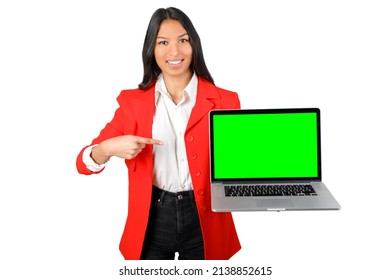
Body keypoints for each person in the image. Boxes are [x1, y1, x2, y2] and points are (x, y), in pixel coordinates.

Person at [76, 7, 241, 260]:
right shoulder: (132, 104)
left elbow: (237, 164)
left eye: (183, 41)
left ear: (194, 45)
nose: (174, 51)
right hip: (151, 220)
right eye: (163, 42)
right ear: (151, 51)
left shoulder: (225, 101)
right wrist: (108, 149)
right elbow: (83, 164)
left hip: (206, 217)